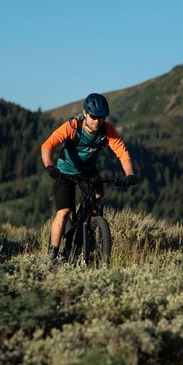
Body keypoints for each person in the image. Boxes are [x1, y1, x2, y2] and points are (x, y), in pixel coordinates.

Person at [41, 92, 137, 262]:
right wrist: (49, 165)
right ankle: (52, 255)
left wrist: (129, 174)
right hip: (65, 171)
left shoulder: (107, 131)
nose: (97, 120)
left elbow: (123, 154)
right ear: (85, 113)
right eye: (93, 116)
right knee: (64, 212)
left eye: (101, 117)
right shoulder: (72, 127)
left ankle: (88, 225)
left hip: (88, 171)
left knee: (98, 196)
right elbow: (47, 145)